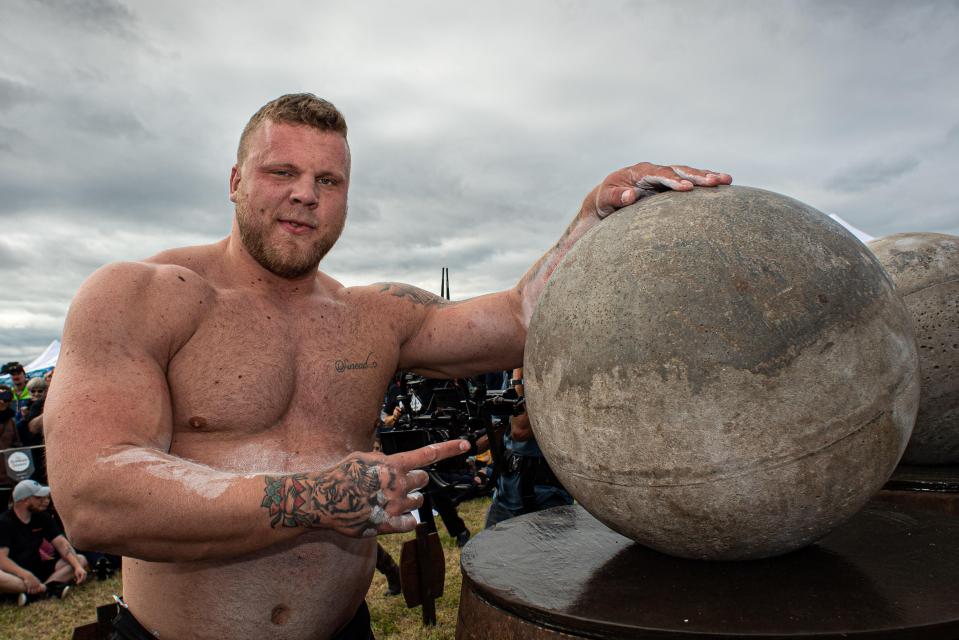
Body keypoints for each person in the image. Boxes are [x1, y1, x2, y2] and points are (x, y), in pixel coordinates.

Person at [44, 92, 730, 639]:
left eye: (327, 179)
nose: (305, 193)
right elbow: (95, 499)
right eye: (281, 172)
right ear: (234, 180)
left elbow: (524, 319)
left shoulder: (372, 315)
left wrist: (593, 218)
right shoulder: (142, 295)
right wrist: (317, 499)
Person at [485, 368, 574, 527]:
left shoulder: (548, 368)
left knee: (549, 552)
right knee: (490, 550)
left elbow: (520, 430)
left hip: (546, 494)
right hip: (506, 491)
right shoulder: (509, 371)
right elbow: (500, 424)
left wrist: (518, 377)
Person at [0, 479, 88, 605]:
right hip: (13, 573)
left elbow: (61, 543)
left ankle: (39, 591)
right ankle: (48, 589)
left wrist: (78, 566)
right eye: (38, 498)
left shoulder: (42, 516)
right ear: (24, 500)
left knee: (80, 559)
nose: (45, 501)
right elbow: (2, 560)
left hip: (37, 567)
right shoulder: (4, 522)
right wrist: (26, 575)